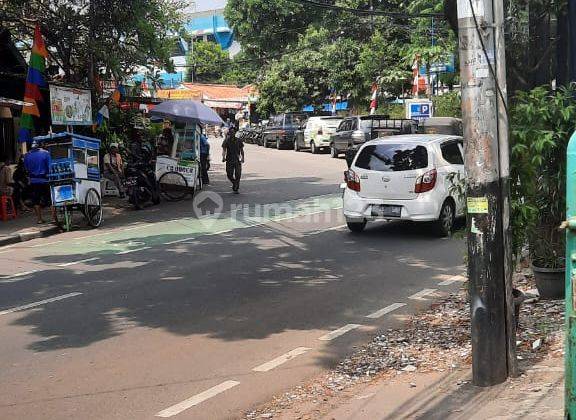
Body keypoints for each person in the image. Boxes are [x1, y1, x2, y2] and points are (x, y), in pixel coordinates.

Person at [23, 141, 52, 224]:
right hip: (45, 180)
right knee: (50, 200)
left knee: (36, 200)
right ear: (40, 146)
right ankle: (54, 218)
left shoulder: (27, 155)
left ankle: (39, 219)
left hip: (34, 181)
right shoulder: (46, 153)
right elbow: (50, 168)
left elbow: (26, 169)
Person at [222, 124, 244, 193]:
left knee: (238, 174)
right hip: (229, 160)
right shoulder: (226, 140)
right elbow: (224, 150)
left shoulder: (239, 140)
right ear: (229, 133)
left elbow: (242, 150)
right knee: (229, 174)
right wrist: (223, 157)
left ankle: (236, 187)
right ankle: (234, 183)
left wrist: (243, 158)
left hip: (237, 160)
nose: (232, 133)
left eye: (233, 132)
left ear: (235, 133)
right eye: (231, 132)